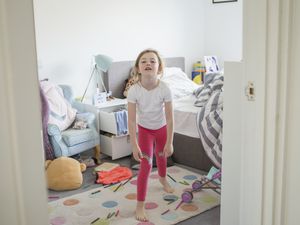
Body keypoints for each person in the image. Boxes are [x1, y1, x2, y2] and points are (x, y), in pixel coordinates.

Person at [127, 49, 175, 222]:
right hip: (145, 130)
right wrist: (134, 145)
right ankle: (140, 204)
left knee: (162, 157)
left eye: (152, 61)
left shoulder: (165, 88)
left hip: (161, 128)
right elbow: (131, 121)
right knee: (146, 166)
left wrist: (170, 142)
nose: (148, 63)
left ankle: (162, 179)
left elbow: (170, 118)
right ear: (138, 68)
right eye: (144, 61)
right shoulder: (134, 90)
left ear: (159, 68)